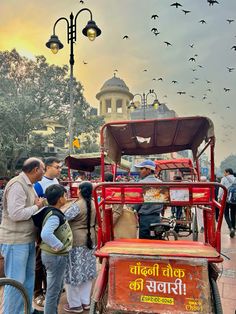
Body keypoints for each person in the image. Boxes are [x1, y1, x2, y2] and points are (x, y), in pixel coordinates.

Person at [0, 157, 45, 314]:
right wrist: (37, 206)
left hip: (26, 239)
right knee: (15, 282)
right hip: (15, 241)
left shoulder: (29, 185)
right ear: (35, 170)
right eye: (43, 169)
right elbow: (16, 213)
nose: (44, 172)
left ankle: (26, 310)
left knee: (27, 279)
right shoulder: (17, 185)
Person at [32, 184, 72, 314]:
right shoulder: (54, 215)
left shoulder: (51, 211)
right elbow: (46, 234)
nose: (66, 198)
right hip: (55, 257)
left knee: (56, 288)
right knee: (53, 291)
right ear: (60, 199)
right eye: (65, 195)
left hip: (54, 256)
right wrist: (58, 245)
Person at [63, 181, 97, 313]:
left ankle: (75, 304)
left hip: (76, 241)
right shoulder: (94, 203)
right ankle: (85, 302)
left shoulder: (77, 205)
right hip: (90, 239)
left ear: (80, 191)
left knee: (73, 272)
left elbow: (64, 217)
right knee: (87, 272)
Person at [33, 157, 62, 307]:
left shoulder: (56, 182)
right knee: (39, 259)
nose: (59, 170)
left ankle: (49, 288)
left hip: (54, 223)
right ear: (49, 167)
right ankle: (38, 292)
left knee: (51, 256)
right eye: (57, 167)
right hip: (42, 226)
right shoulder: (38, 184)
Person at [133, 160, 163, 239]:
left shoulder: (141, 183)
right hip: (157, 218)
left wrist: (134, 208)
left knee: (144, 241)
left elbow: (137, 203)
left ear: (149, 170)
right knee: (156, 239)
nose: (140, 171)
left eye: (142, 169)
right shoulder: (161, 183)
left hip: (145, 219)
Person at [104, 172, 137, 238]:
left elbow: (117, 213)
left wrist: (107, 227)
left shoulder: (116, 191)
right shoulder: (107, 190)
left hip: (114, 227)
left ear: (105, 181)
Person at [218, 168, 236, 238]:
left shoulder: (224, 179)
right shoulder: (235, 178)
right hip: (234, 199)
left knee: (226, 214)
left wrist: (219, 197)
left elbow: (221, 189)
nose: (224, 174)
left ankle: (231, 227)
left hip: (225, 199)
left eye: (225, 172)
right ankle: (233, 229)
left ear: (228, 173)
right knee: (233, 214)